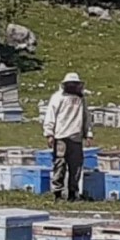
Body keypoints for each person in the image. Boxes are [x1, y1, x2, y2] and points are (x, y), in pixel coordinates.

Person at [42, 72, 93, 201]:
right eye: (71, 84)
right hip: (61, 137)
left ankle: (73, 194)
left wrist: (88, 134)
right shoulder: (57, 97)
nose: (73, 86)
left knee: (75, 167)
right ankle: (57, 193)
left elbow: (86, 117)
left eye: (75, 84)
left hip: (76, 137)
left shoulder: (81, 99)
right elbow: (50, 116)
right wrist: (49, 134)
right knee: (60, 165)